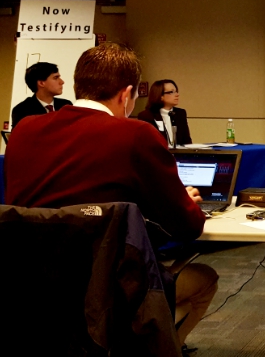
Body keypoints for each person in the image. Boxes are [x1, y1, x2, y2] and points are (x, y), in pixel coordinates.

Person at [4, 43, 217, 353]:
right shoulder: (136, 135)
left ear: (78, 86)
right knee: (204, 278)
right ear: (126, 94)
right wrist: (186, 200)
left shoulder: (24, 130)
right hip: (107, 295)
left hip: (29, 290)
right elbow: (187, 227)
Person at [11, 61, 72, 128]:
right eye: (55, 78)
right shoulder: (22, 110)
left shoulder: (66, 105)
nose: (62, 82)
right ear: (41, 83)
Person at [138, 79, 192, 147]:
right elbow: (147, 143)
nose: (177, 95)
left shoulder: (180, 113)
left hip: (180, 156)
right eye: (172, 92)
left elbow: (187, 141)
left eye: (176, 91)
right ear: (161, 96)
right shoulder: (147, 116)